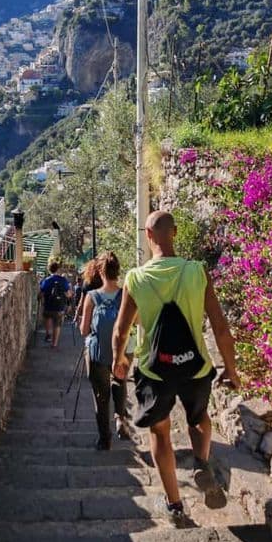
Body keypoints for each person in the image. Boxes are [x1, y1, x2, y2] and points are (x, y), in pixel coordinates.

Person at [112, 210, 240, 525]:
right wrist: (231, 369)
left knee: (160, 430)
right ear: (176, 233)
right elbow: (221, 327)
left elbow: (121, 331)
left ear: (148, 236)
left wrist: (119, 360)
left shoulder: (136, 278)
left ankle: (175, 505)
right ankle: (201, 462)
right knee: (199, 418)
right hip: (195, 366)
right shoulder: (197, 271)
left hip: (155, 371)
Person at [80, 251, 131, 449]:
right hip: (123, 350)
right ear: (117, 270)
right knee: (120, 381)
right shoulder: (125, 295)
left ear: (100, 271)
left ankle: (104, 439)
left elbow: (84, 330)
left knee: (101, 396)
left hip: (98, 353)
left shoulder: (92, 297)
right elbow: (136, 321)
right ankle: (120, 417)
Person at [39, 261, 72, 349]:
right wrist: (69, 302)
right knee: (57, 325)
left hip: (48, 305)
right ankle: (54, 344)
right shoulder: (63, 280)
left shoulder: (46, 280)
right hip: (59, 306)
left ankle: (48, 333)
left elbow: (41, 293)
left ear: (49, 269)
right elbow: (68, 294)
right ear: (58, 269)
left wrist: (40, 298)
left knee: (47, 317)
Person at [74, 258, 103, 325]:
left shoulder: (87, 283)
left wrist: (77, 315)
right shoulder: (104, 282)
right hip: (103, 314)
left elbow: (81, 302)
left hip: (90, 314)